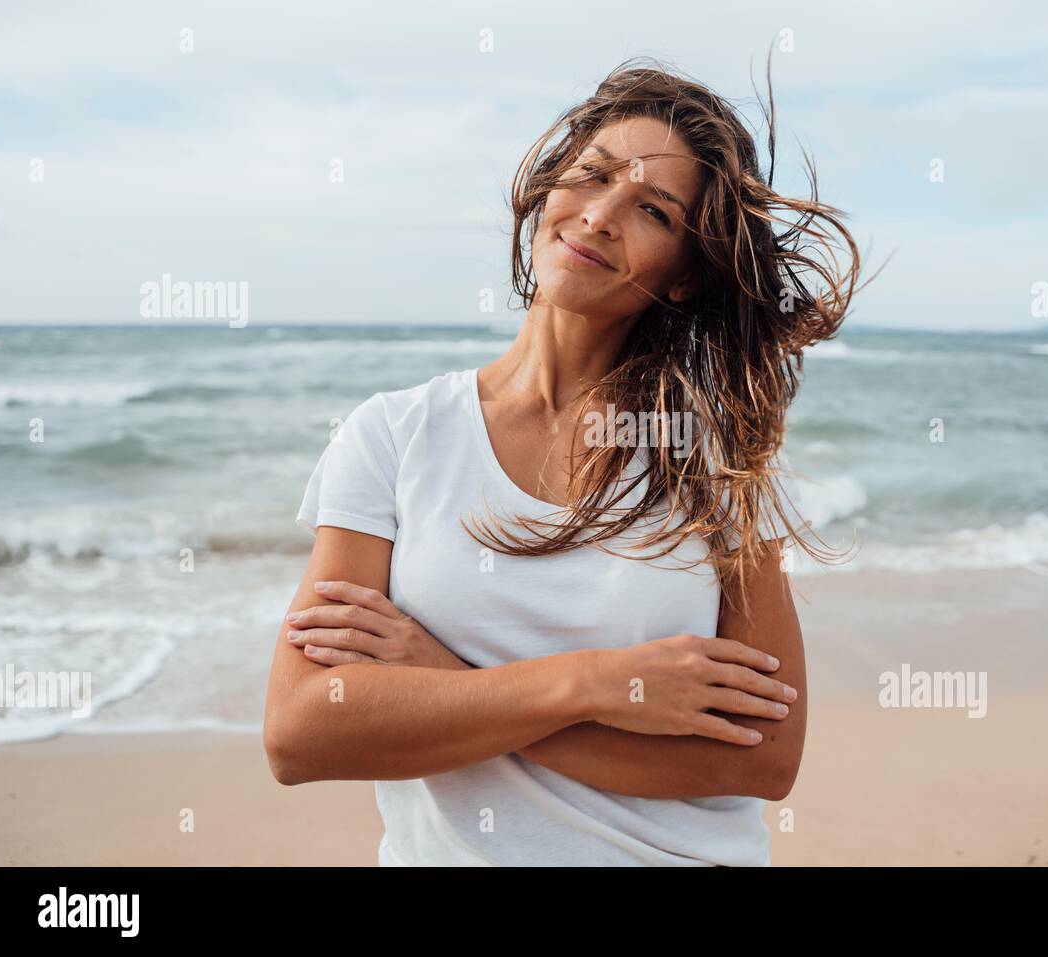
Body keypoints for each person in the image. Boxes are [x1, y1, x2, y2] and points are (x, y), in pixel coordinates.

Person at [263, 56, 859, 866]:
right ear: (548, 190)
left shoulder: (718, 460)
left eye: (653, 209)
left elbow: (763, 757)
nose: (601, 215)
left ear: (684, 278)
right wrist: (594, 683)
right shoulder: (392, 436)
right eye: (593, 175)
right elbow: (303, 732)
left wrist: (441, 678)